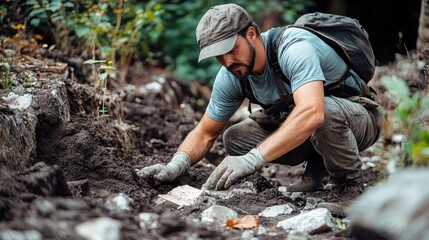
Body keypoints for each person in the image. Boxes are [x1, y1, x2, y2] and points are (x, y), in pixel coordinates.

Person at [138, 4, 384, 207]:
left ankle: (349, 185)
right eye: (219, 56)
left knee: (323, 112)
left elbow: (312, 112)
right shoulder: (232, 74)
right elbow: (205, 132)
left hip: (358, 118)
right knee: (234, 137)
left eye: (231, 50)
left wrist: (253, 159)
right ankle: (319, 163)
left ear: (252, 34)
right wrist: (176, 164)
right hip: (316, 126)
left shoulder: (294, 47)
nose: (227, 62)